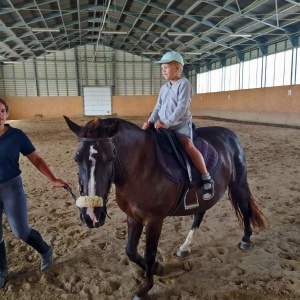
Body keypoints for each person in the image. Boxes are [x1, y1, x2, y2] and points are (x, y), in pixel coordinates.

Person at [0, 98, 68, 289]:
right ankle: (1, 270)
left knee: (21, 231)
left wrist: (53, 179)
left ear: (7, 113)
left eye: (3, 111)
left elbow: (36, 159)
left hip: (11, 188)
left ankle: (45, 250)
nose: (0, 115)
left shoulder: (17, 135)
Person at [142, 51, 214, 201]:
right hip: (161, 123)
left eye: (166, 68)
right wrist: (149, 121)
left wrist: (167, 123)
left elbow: (181, 108)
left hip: (180, 124)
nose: (163, 71)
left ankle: (206, 178)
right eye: (162, 69)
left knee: (188, 145)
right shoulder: (164, 88)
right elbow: (158, 106)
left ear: (178, 68)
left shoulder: (184, 84)